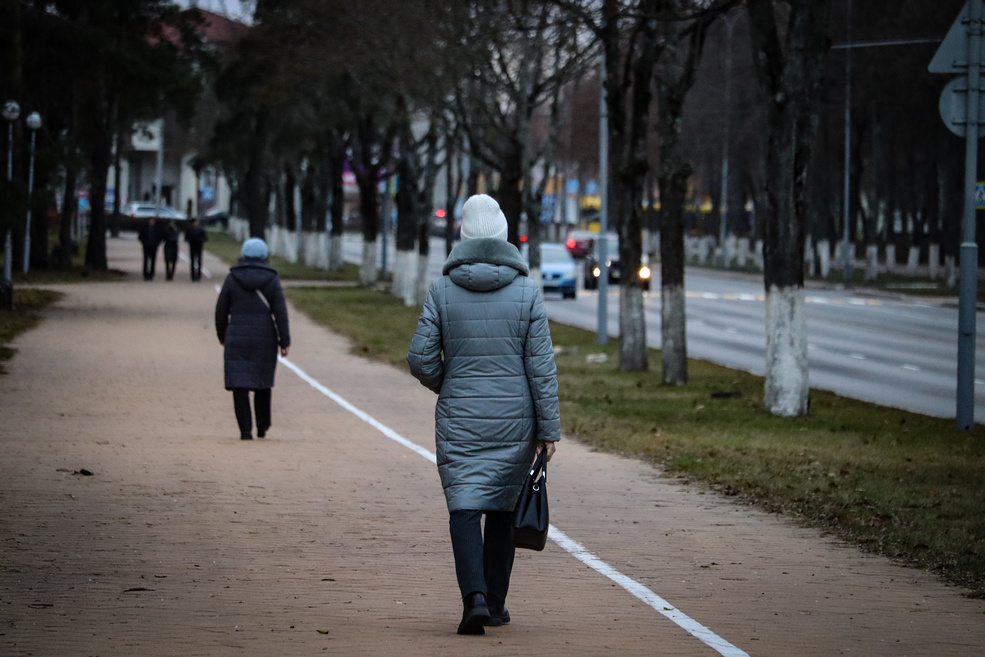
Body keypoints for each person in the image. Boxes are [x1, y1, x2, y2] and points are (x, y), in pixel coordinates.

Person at [407, 194, 560, 636]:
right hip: (516, 421)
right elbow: (542, 368)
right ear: (504, 233)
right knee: (501, 509)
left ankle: (472, 598)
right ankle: (494, 604)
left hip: (460, 418)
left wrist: (446, 384)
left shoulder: (442, 290)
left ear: (463, 234)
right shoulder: (527, 292)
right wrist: (549, 428)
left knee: (464, 506)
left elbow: (419, 357)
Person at [215, 238, 291, 441]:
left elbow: (221, 310)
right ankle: (262, 426)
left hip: (236, 337)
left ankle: (245, 430)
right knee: (262, 381)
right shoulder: (272, 280)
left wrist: (222, 334)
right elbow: (280, 312)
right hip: (265, 337)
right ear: (265, 256)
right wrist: (285, 341)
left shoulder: (232, 278)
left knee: (239, 383)